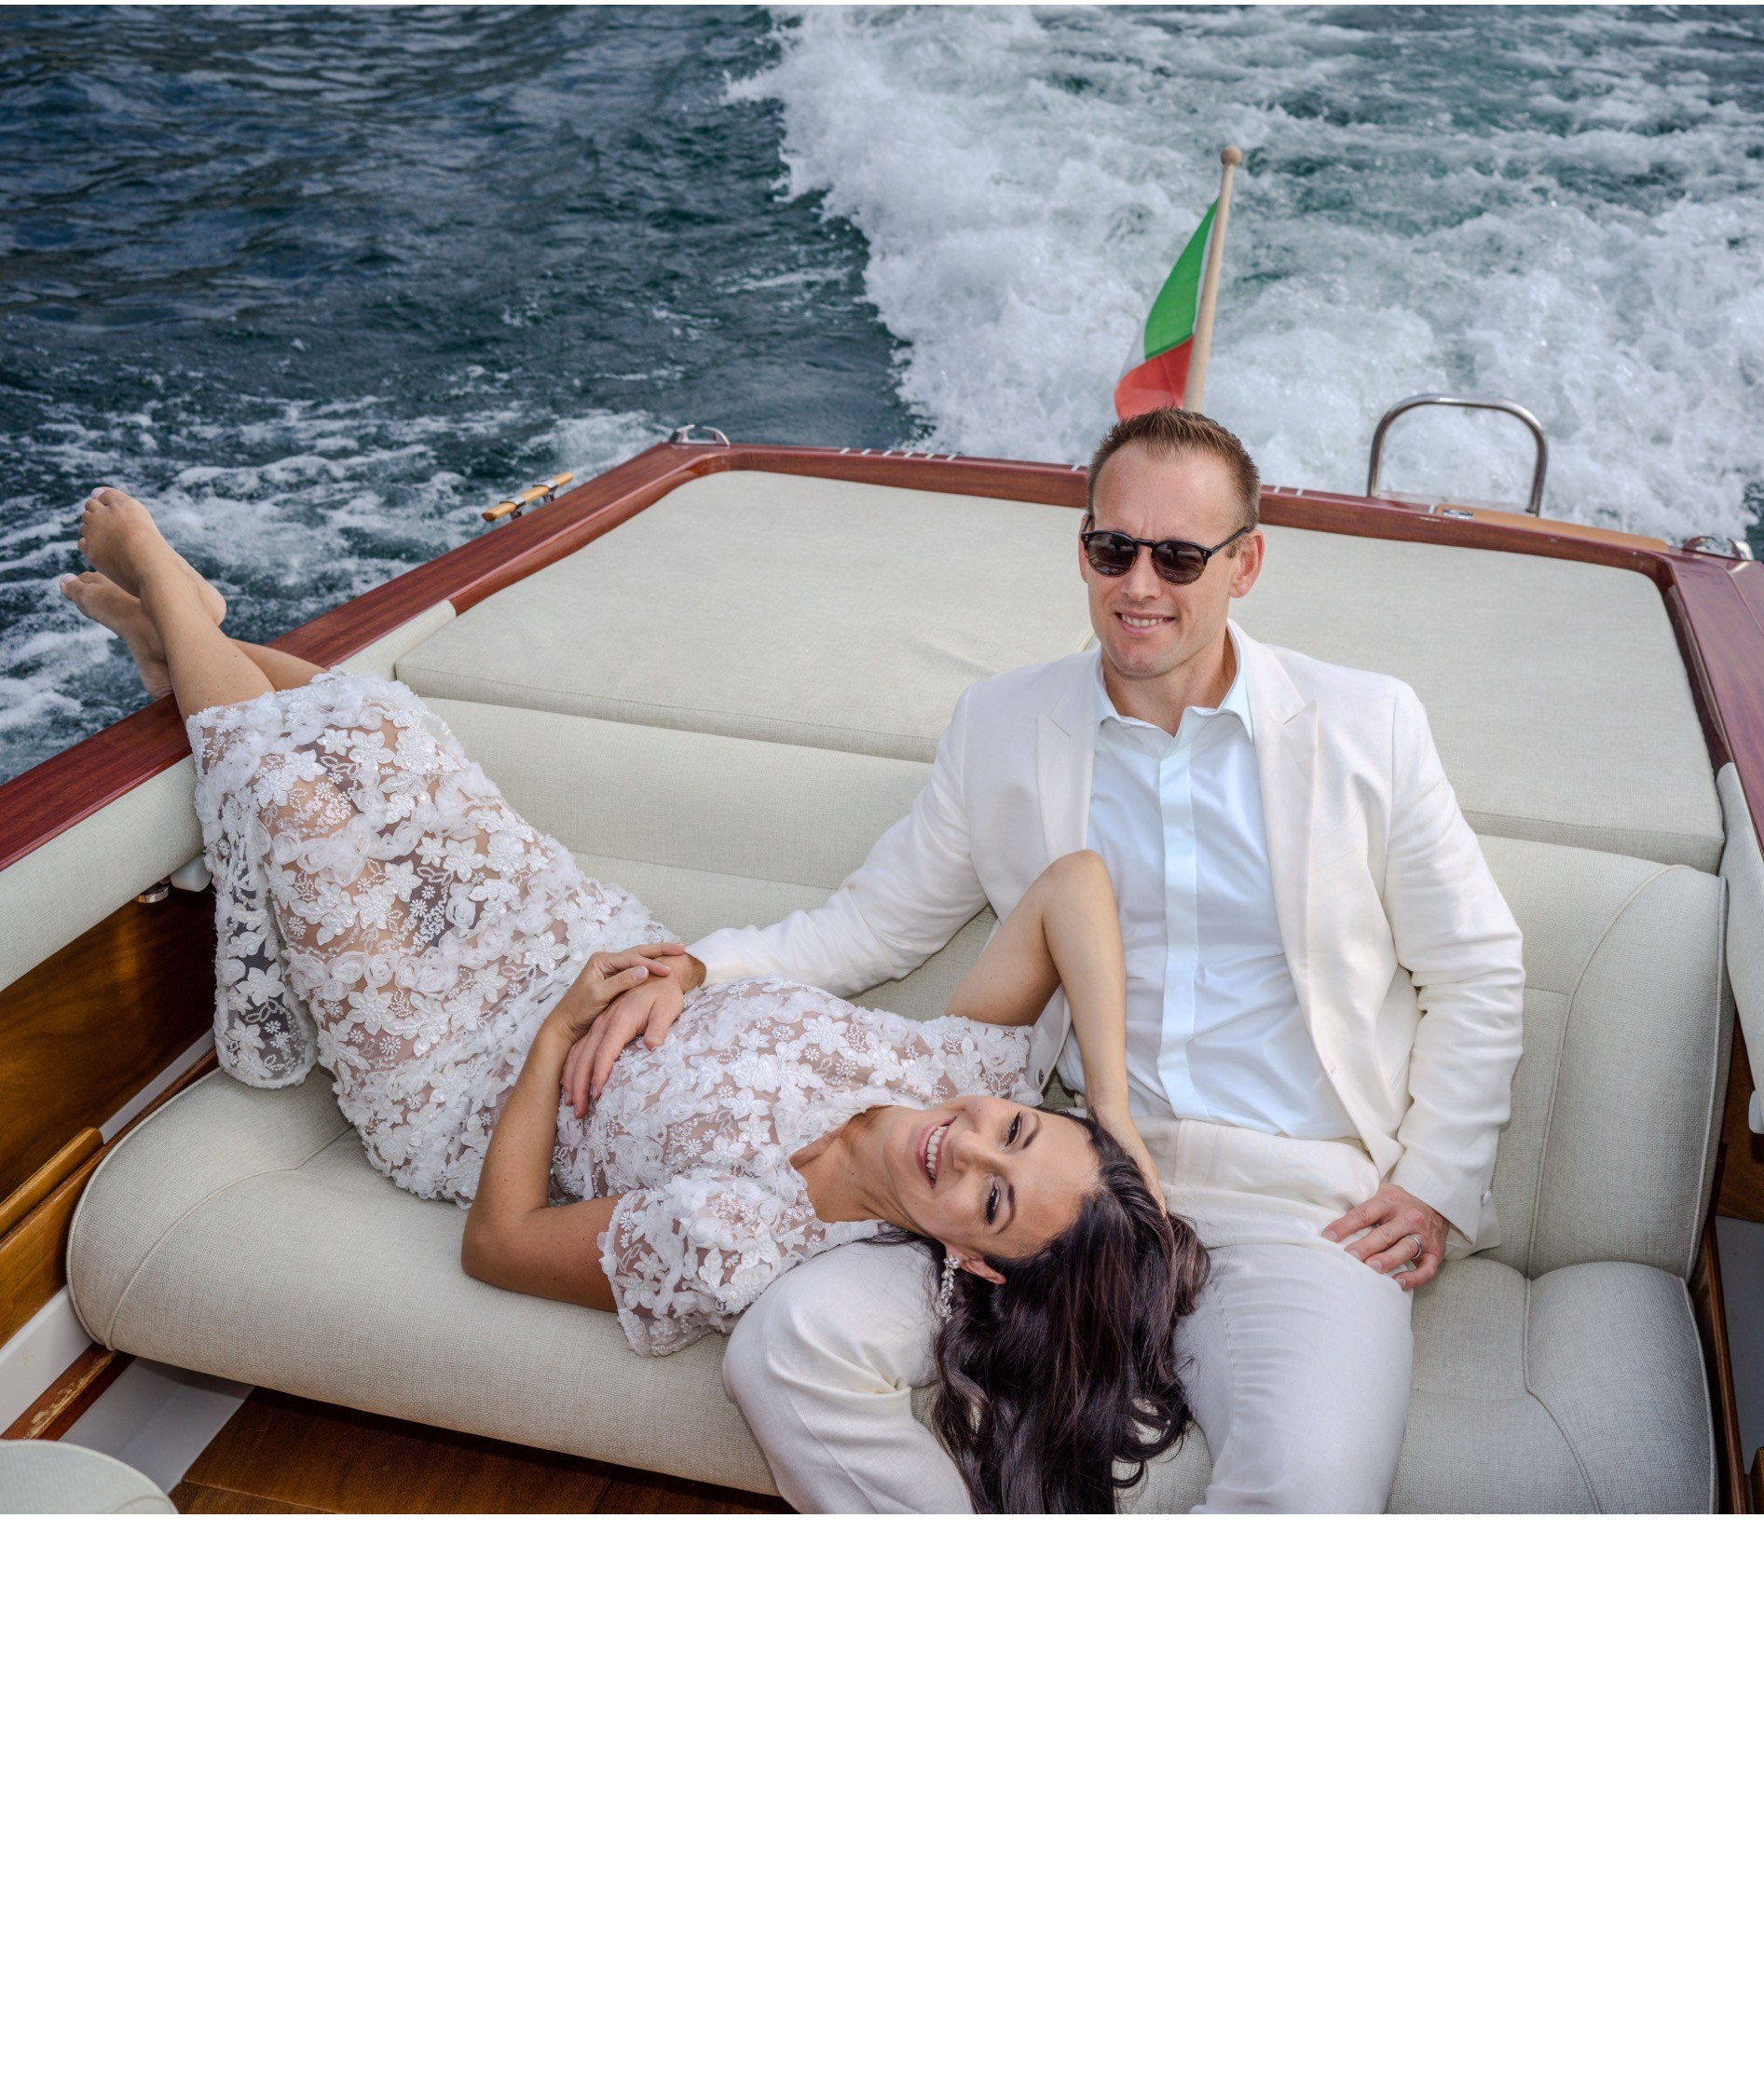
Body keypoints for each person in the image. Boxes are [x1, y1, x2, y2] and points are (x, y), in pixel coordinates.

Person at [63, 486, 1207, 1513]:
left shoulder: (741, 1239)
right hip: (579, 939)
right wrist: (1106, 1103)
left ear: (977, 1266)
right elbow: (1076, 884)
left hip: (460, 1079)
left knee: (299, 809)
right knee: (394, 734)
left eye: (991, 1203)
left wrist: (556, 1034)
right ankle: (184, 648)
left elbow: (500, 1245)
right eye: (1015, 1135)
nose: (966, 1152)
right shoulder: (970, 1073)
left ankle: (170, 594)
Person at [568, 407, 1525, 1513]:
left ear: (1245, 563)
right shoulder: (1002, 726)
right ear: (1082, 549)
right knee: (785, 1349)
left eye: (1179, 556)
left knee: (1312, 1487)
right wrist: (694, 968)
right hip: (1048, 1191)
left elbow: (1477, 966)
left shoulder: (1370, 723)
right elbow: (868, 929)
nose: (1140, 585)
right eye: (1111, 548)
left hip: (1299, 1204)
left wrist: (1436, 1182)